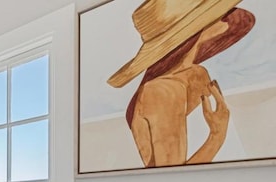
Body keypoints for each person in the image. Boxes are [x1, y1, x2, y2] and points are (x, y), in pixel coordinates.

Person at [108, 0, 255, 167]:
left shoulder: (198, 74)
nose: (223, 15)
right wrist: (216, 136)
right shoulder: (161, 91)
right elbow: (171, 178)